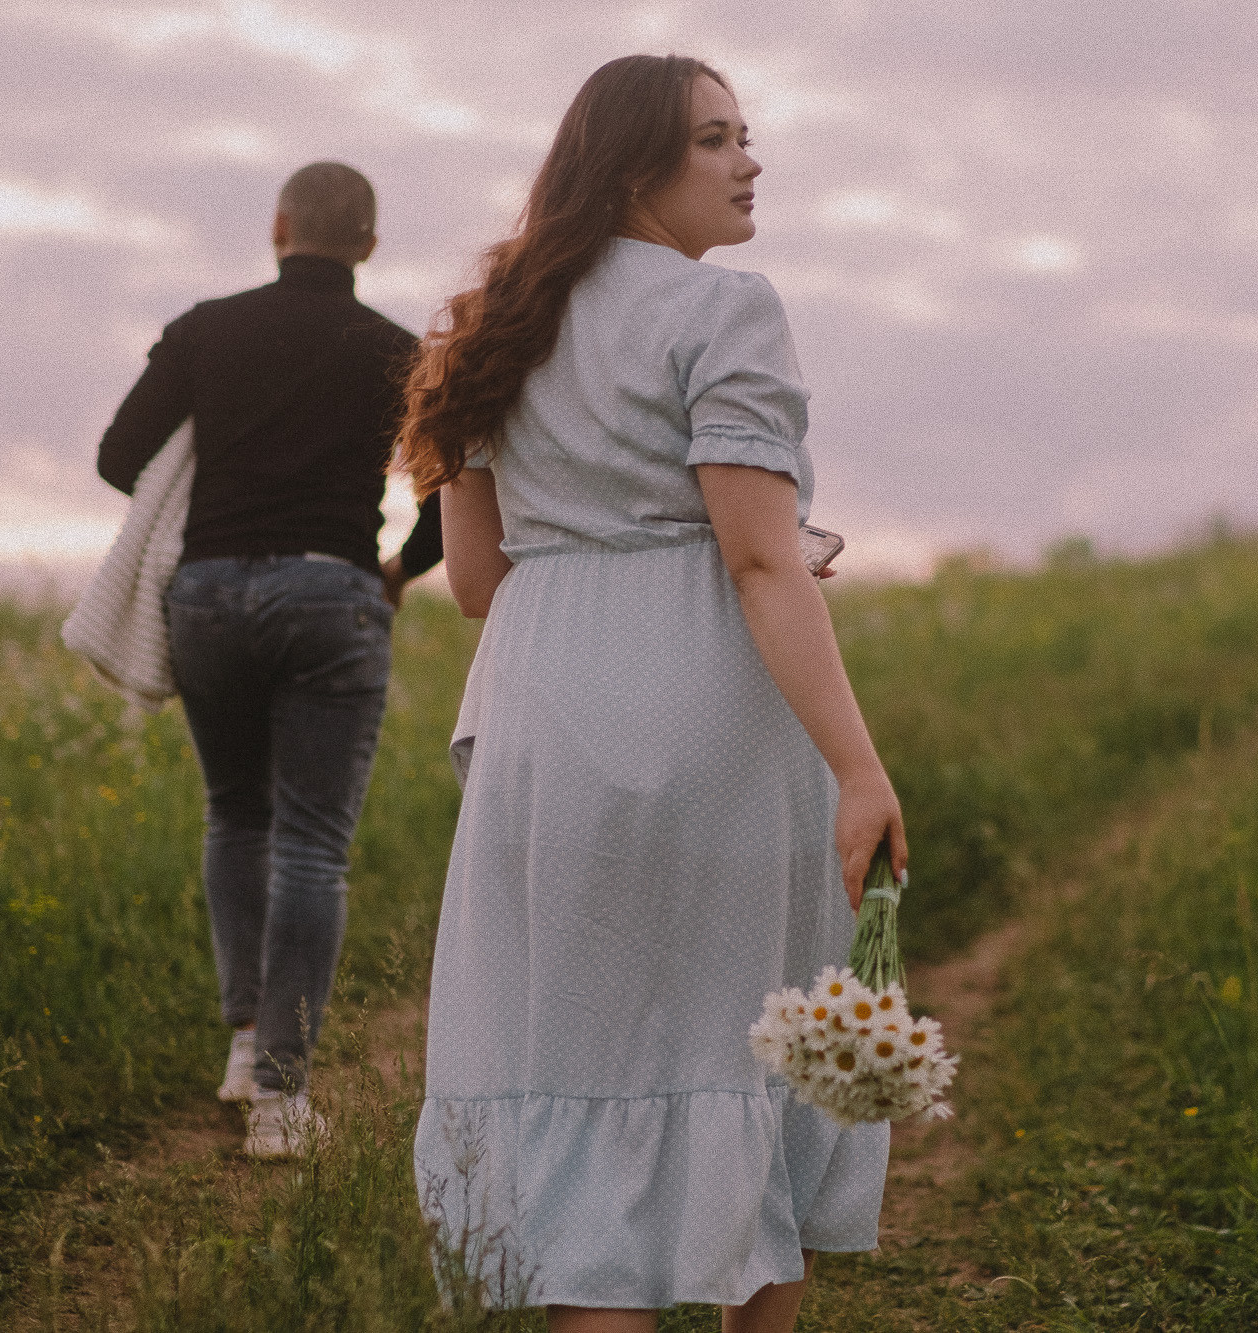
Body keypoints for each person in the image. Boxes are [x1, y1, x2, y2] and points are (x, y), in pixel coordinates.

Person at [398, 56, 908, 1331]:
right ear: (635, 168)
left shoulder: (486, 326)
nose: (747, 161)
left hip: (542, 716)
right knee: (748, 1053)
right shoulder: (722, 309)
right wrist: (858, 767)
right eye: (713, 141)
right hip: (701, 714)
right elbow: (751, 558)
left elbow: (472, 579)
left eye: (746, 136)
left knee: (578, 1071)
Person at [96, 161, 441, 1158]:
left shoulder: (204, 327)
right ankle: (285, 1104)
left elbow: (120, 456)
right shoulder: (395, 352)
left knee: (235, 813)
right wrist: (397, 570)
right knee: (310, 845)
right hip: (333, 592)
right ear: (368, 246)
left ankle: (246, 1046)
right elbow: (446, 490)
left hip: (204, 595)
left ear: (279, 226)